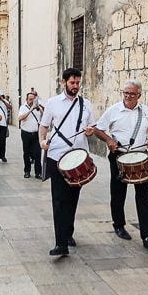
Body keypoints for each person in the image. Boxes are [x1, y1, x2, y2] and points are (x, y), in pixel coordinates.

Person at [94, 79, 148, 251]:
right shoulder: (114, 110)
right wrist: (108, 140)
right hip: (119, 156)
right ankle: (119, 225)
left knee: (144, 197)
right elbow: (98, 129)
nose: (128, 96)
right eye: (126, 93)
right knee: (118, 193)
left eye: (132, 93)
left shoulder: (145, 111)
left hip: (141, 157)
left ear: (139, 95)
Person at [39, 68, 96, 256]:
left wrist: (90, 131)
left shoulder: (85, 104)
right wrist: (42, 141)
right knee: (59, 200)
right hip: (57, 156)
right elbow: (44, 126)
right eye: (72, 83)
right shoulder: (53, 103)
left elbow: (92, 127)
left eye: (78, 83)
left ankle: (68, 233)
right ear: (63, 82)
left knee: (72, 199)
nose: (75, 86)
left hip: (78, 158)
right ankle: (60, 243)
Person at [18, 92, 43, 179]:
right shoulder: (23, 107)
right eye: (30, 99)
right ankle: (27, 171)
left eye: (33, 99)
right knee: (26, 153)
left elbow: (44, 117)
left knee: (37, 153)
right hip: (26, 133)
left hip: (36, 134)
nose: (32, 101)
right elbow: (21, 118)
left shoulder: (38, 108)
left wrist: (39, 108)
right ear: (27, 100)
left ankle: (38, 172)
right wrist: (31, 110)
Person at [0, 90, 12, 162]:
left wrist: (3, 100)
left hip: (3, 124)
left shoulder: (5, 101)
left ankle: (2, 155)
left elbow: (10, 107)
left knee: (2, 141)